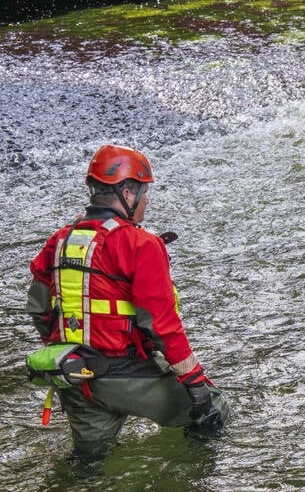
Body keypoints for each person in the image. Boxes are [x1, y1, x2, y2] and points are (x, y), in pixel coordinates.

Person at [26, 144, 230, 461]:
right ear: (128, 191)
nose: (146, 201)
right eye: (144, 192)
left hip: (74, 374)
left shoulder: (60, 239)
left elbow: (39, 307)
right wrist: (196, 384)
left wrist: (59, 347)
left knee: (88, 462)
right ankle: (197, 490)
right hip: (124, 372)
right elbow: (161, 326)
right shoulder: (140, 243)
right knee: (215, 408)